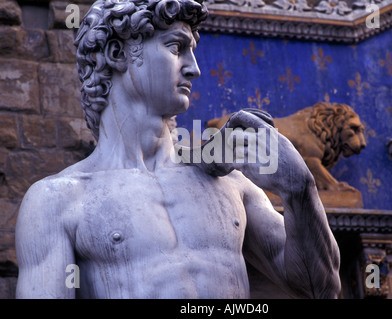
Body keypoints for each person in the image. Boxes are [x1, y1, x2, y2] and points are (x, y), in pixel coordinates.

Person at [15, 0, 340, 299]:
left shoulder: (230, 183)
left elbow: (321, 288)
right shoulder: (57, 201)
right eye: (176, 47)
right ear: (117, 53)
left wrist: (299, 189)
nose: (194, 68)